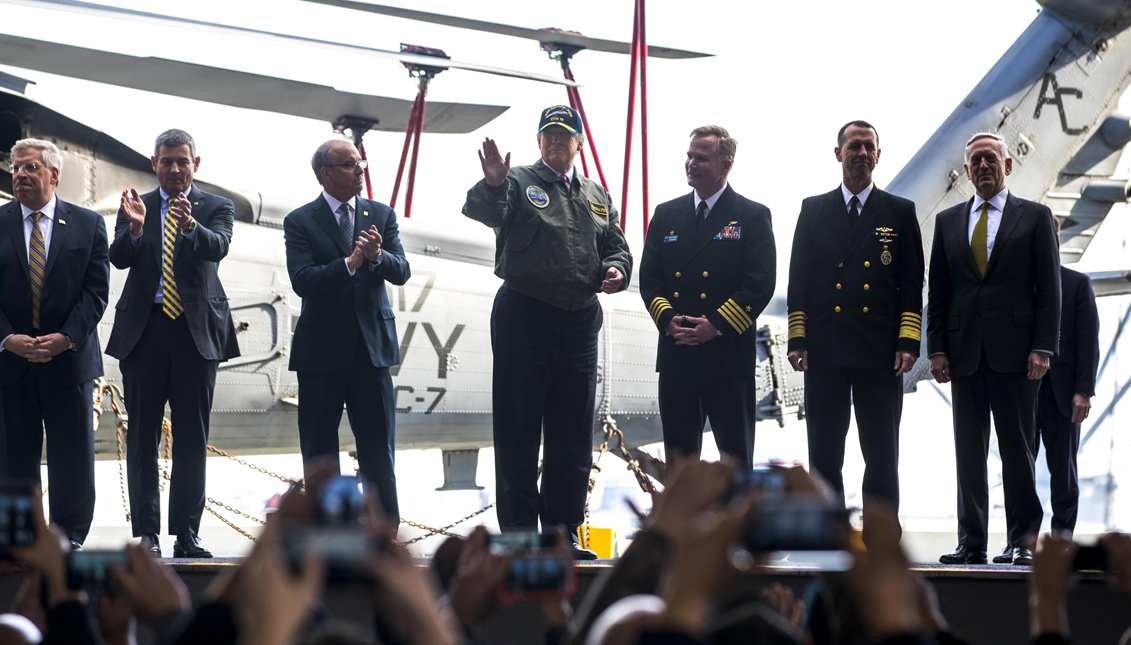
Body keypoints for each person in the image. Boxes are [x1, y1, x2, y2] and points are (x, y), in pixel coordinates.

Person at [463, 105, 632, 559]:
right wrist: (495, 182)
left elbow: (616, 245)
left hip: (579, 321)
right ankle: (519, 539)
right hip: (526, 314)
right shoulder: (518, 181)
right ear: (539, 142)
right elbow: (484, 208)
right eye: (548, 135)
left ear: (579, 144)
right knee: (519, 430)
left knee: (571, 436)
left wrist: (616, 269)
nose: (556, 141)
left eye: (565, 135)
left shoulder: (597, 193)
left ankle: (562, 537)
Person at [785, 120, 924, 541]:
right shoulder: (813, 210)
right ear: (838, 153)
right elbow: (799, 282)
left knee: (881, 451)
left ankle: (881, 535)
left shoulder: (899, 212)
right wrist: (797, 338)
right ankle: (826, 534)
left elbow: (911, 284)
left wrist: (907, 341)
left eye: (869, 147)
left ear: (878, 156)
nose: (861, 153)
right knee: (825, 451)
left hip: (879, 350)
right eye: (853, 146)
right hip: (826, 348)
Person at [106, 129, 241, 558]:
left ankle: (187, 534)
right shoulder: (135, 204)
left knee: (190, 439)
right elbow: (119, 258)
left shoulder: (217, 207)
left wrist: (189, 225)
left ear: (195, 165)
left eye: (183, 161)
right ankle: (147, 536)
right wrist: (133, 230)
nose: (175, 169)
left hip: (194, 334)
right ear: (154, 163)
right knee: (142, 438)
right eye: (167, 161)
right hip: (144, 335)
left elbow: (217, 249)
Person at [927, 132, 1061, 566]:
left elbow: (1050, 290)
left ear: (1007, 166)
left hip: (1018, 355)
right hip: (964, 354)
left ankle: (1023, 541)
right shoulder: (947, 222)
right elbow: (940, 292)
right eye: (975, 161)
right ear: (966, 171)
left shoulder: (1036, 217)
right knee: (968, 451)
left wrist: (1043, 347)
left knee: (1018, 450)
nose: (983, 166)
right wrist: (937, 349)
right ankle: (972, 542)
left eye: (990, 159)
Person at [283, 139, 410, 522]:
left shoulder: (381, 215)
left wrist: (376, 257)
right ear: (326, 174)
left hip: (371, 353)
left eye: (361, 163)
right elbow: (303, 280)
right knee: (320, 455)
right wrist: (350, 263)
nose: (360, 170)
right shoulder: (300, 221)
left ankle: (386, 533)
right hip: (321, 355)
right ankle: (326, 534)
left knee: (378, 452)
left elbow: (401, 270)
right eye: (350, 164)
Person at [638, 125, 775, 469]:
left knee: (735, 463)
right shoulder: (666, 214)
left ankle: (738, 525)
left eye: (701, 158)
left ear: (725, 165)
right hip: (678, 354)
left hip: (726, 357)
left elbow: (759, 284)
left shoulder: (751, 215)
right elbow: (650, 278)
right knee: (680, 465)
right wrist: (668, 320)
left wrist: (714, 326)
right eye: (689, 156)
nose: (691, 163)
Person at [0, 139, 109, 550]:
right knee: (12, 460)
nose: (20, 175)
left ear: (53, 175)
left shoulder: (87, 225)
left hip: (69, 363)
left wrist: (67, 339)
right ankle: (18, 541)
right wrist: (8, 339)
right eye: (15, 168)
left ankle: (69, 540)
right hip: (11, 364)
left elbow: (96, 293)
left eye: (30, 168)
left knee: (73, 460)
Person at [1031, 216, 1099, 540]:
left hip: (1064, 395)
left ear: (1057, 237)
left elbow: (1088, 342)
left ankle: (1062, 539)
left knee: (1064, 472)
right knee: (1020, 472)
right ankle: (1021, 541)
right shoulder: (1016, 286)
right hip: (1023, 393)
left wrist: (1084, 392)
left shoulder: (1077, 283)